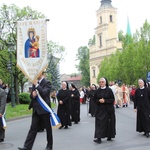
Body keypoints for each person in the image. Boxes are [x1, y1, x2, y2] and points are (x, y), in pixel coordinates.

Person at [18, 72, 53, 150]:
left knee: (48, 128)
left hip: (44, 109)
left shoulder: (47, 83)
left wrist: (37, 85)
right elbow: (32, 96)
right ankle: (27, 147)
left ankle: (49, 146)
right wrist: (32, 95)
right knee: (33, 129)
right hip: (36, 110)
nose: (36, 74)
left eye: (38, 73)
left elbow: (44, 93)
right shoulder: (34, 83)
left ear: (42, 73)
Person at [93, 77, 116, 144]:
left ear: (105, 82)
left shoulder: (109, 90)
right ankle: (98, 137)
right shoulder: (97, 91)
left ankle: (109, 135)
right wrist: (99, 100)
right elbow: (94, 99)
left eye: (102, 82)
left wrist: (105, 101)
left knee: (108, 123)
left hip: (108, 109)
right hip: (100, 109)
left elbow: (112, 99)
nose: (101, 83)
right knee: (99, 123)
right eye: (100, 82)